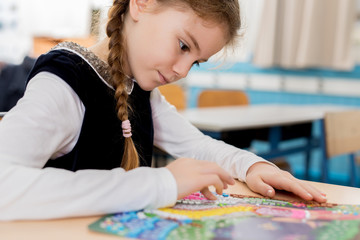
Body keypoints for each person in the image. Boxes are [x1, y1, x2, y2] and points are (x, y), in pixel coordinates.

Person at [0, 0, 326, 221]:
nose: (183, 71)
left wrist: (253, 166)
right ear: (141, 3)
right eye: (183, 46)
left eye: (195, 61)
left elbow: (198, 146)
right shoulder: (64, 84)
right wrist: (161, 184)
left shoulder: (140, 90)